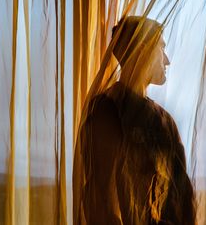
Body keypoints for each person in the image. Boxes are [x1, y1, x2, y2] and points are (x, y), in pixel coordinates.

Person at [73, 16, 196, 225]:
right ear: (143, 51)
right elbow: (101, 199)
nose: (167, 60)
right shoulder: (106, 111)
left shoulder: (165, 122)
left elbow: (183, 198)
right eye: (161, 48)